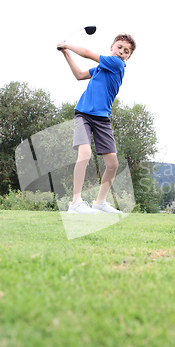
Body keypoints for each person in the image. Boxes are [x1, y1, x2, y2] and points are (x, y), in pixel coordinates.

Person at [57, 33, 136, 214]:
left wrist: (65, 44)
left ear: (128, 57)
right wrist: (66, 52)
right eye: (119, 48)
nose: (122, 52)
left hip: (102, 119)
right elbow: (78, 75)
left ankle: (100, 202)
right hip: (84, 114)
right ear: (111, 46)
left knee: (112, 164)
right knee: (84, 154)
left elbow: (85, 52)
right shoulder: (101, 68)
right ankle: (75, 203)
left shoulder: (116, 64)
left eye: (126, 51)